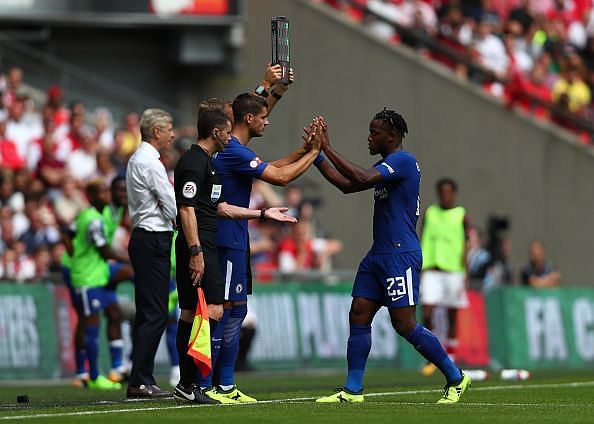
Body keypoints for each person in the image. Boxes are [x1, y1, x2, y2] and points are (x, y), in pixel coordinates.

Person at [312, 109, 470, 404]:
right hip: (378, 255)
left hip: (401, 255)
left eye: (374, 132)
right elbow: (348, 186)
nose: (369, 137)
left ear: (392, 136)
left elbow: (359, 175)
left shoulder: (403, 161)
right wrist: (317, 156)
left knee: (404, 324)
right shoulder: (386, 167)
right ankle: (353, 389)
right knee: (359, 311)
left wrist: (327, 148)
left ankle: (456, 377)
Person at [173, 108, 299, 404]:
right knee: (212, 310)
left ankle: (188, 383)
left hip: (206, 245)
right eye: (228, 132)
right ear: (216, 132)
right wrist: (195, 250)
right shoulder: (193, 163)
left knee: (194, 313)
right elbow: (186, 209)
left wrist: (262, 213)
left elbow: (220, 208)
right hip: (199, 245)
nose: (231, 137)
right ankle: (193, 382)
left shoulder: (209, 164)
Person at [208, 93, 321, 402]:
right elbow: (281, 177)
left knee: (236, 311)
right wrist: (316, 154)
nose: (267, 120)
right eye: (263, 116)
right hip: (227, 240)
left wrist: (304, 150)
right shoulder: (234, 151)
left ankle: (223, 384)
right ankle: (211, 384)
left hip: (235, 239)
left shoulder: (237, 151)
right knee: (225, 313)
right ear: (249, 119)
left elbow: (270, 166)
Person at [125, 108, 177, 398]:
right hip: (153, 237)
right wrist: (177, 218)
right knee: (155, 312)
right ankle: (139, 379)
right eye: (169, 129)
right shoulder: (151, 163)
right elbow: (169, 202)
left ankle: (142, 376)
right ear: (156, 131)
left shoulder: (137, 159)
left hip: (142, 237)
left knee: (148, 311)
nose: (172, 134)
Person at [70, 179, 130, 390]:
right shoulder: (93, 218)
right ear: (92, 196)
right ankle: (92, 375)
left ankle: (115, 368)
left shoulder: (108, 212)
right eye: (102, 191)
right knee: (90, 325)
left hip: (98, 275)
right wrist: (76, 258)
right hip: (87, 277)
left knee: (110, 314)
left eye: (107, 190)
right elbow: (104, 250)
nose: (106, 194)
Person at [419, 178, 470, 376]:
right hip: (432, 268)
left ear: (453, 194)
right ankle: (432, 354)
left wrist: (465, 270)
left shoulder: (461, 214)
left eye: (448, 192)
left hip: (453, 270)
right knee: (428, 312)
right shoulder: (431, 212)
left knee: (451, 315)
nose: (445, 195)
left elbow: (466, 243)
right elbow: (422, 236)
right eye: (442, 192)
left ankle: (451, 354)